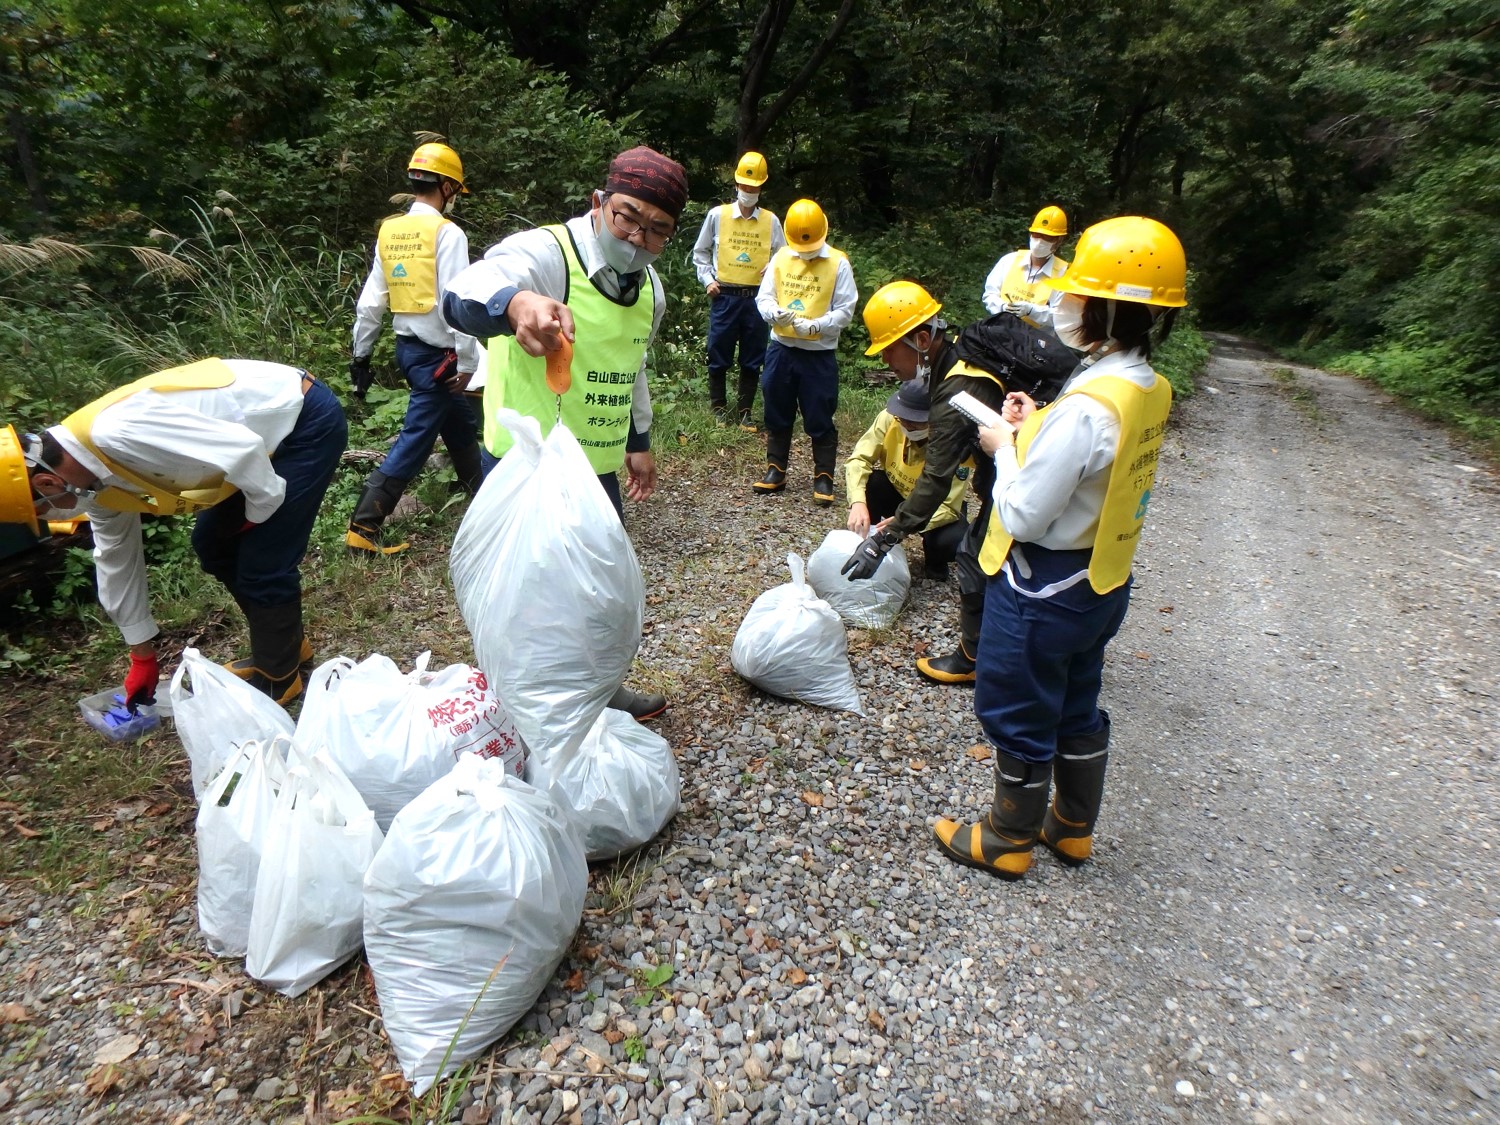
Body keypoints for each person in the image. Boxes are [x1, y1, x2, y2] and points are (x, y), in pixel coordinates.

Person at [932, 216, 1187, 881]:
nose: (1064, 304)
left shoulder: (1087, 407)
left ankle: (1008, 836)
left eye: (1077, 295)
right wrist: (1035, 421)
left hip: (1041, 587)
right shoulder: (1143, 387)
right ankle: (1072, 826)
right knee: (1076, 701)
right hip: (1099, 580)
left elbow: (1021, 510)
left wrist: (1003, 446)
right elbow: (1091, 460)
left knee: (1017, 704)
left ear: (1107, 309)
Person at [442, 145, 688, 721]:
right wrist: (516, 303)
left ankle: (597, 691)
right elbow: (462, 292)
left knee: (597, 590)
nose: (637, 239)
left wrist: (639, 443)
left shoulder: (651, 292)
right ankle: (520, 706)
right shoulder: (548, 253)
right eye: (627, 217)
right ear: (599, 202)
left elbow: (631, 364)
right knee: (524, 595)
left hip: (595, 467)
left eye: (657, 230)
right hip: (526, 465)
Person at [2, 359, 348, 706]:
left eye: (40, 511)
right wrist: (141, 655)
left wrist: (258, 514)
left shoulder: (117, 434)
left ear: (47, 482)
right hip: (250, 444)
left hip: (302, 418)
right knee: (213, 545)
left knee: (264, 560)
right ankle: (287, 648)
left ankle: (278, 678)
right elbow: (116, 557)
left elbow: (243, 451)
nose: (47, 517)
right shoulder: (93, 480)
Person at [839, 281, 1013, 685]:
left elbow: (938, 480)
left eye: (889, 349)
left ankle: (980, 659)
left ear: (920, 339)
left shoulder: (958, 384)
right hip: (1009, 471)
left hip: (1021, 475)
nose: (886, 360)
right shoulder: (956, 364)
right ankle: (990, 653)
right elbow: (860, 459)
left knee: (976, 555)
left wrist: (885, 539)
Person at [346, 141, 482, 555]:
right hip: (440, 358)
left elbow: (371, 301)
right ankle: (363, 527)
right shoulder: (448, 233)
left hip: (408, 350)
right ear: (446, 186)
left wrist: (361, 354)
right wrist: (469, 360)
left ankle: (482, 494)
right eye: (455, 189)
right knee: (417, 436)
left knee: (458, 422)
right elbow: (457, 302)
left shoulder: (390, 231)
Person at [751, 198, 857, 505]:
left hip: (818, 354)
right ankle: (776, 469)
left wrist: (818, 326)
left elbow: (845, 309)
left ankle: (824, 476)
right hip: (781, 350)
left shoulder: (838, 263)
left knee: (820, 412)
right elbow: (764, 298)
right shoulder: (781, 257)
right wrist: (774, 314)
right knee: (776, 408)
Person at [691, 151, 785, 430]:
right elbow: (700, 252)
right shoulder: (717, 216)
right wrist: (707, 280)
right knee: (718, 353)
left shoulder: (771, 221)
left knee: (752, 358)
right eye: (745, 186)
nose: (749, 192)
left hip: (757, 298)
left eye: (754, 187)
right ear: (736, 184)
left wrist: (773, 266)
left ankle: (745, 412)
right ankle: (718, 409)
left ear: (761, 188)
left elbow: (784, 256)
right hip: (725, 295)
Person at [844, 378, 970, 581]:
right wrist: (857, 502)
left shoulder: (954, 441)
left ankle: (935, 560)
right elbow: (859, 460)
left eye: (916, 421)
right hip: (897, 492)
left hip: (934, 506)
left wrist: (904, 524)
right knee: (872, 484)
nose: (907, 425)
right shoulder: (889, 419)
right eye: (903, 418)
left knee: (951, 539)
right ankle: (869, 538)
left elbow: (948, 506)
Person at [980, 205, 1070, 327]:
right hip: (1000, 331)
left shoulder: (1063, 274)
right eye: (1036, 234)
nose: (1040, 241)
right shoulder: (1009, 260)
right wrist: (1003, 307)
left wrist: (1032, 311)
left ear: (1059, 240)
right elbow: (990, 294)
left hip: (1036, 337)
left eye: (1048, 237)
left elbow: (1061, 317)